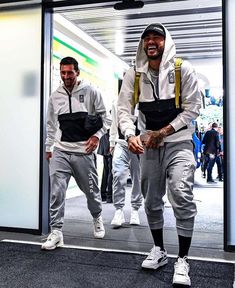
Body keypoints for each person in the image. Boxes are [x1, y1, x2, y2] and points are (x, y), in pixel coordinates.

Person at [117, 23, 201, 287]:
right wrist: (130, 134)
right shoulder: (135, 74)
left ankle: (183, 259)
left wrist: (162, 132)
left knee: (180, 193)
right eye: (147, 38)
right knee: (151, 200)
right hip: (149, 145)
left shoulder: (182, 69)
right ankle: (160, 251)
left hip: (179, 143)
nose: (151, 42)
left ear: (166, 42)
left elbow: (192, 108)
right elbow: (123, 108)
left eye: (157, 38)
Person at [42, 56, 111, 250]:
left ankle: (97, 217)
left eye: (70, 72)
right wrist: (49, 148)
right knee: (56, 192)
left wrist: (96, 137)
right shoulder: (55, 96)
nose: (66, 76)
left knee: (91, 192)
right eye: (63, 73)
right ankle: (56, 232)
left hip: (84, 152)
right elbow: (51, 125)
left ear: (77, 72)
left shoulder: (91, 92)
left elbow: (107, 120)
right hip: (61, 151)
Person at [110, 99, 142, 227]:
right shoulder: (117, 101)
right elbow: (113, 122)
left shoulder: (144, 99)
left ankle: (135, 209)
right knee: (118, 174)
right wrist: (112, 142)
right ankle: (118, 210)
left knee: (138, 178)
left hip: (139, 143)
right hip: (121, 143)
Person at [97, 130, 113, 203]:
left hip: (105, 138)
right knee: (111, 171)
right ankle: (109, 195)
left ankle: (104, 195)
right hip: (110, 139)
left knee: (106, 171)